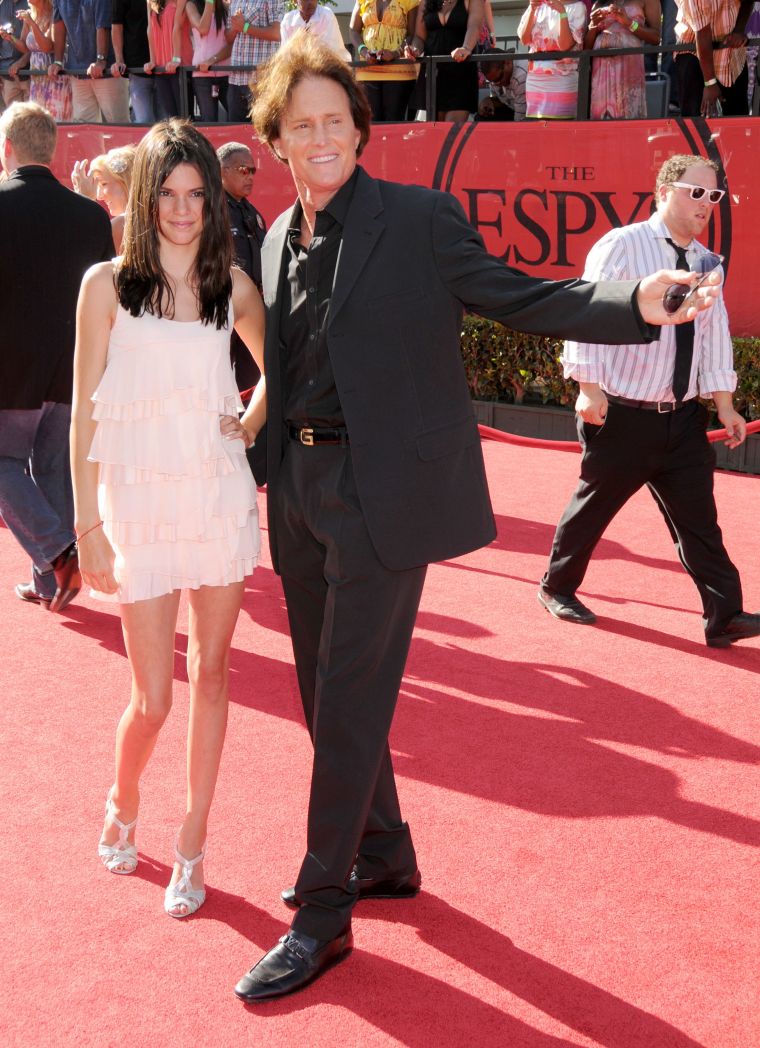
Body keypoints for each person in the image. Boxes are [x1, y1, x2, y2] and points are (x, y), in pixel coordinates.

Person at [231, 34, 718, 1002]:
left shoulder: (417, 220)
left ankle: (324, 912)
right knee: (324, 695)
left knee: (348, 703)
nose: (320, 137)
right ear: (276, 138)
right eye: (302, 125)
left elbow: (522, 296)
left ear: (358, 131)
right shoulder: (282, 235)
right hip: (300, 496)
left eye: (336, 121)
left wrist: (636, 303)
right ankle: (384, 852)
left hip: (381, 499)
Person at [71, 119, 265, 917]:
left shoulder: (234, 287)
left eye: (198, 196)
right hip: (138, 506)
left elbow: (284, 371)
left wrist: (247, 425)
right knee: (151, 698)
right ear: (146, 196)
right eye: (171, 195)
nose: (183, 211)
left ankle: (192, 840)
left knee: (213, 675)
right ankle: (122, 801)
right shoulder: (105, 285)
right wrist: (87, 527)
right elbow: (85, 413)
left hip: (215, 495)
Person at [539, 154, 760, 649]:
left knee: (700, 522)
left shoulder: (707, 262)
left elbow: (714, 336)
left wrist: (724, 403)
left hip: (683, 421)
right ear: (663, 191)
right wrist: (588, 388)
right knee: (592, 510)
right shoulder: (623, 246)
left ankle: (723, 616)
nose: (706, 203)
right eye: (695, 191)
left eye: (714, 196)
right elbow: (585, 311)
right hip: (623, 414)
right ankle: (557, 587)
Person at [0, 101, 113, 611]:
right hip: (71, 370)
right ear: (52, 149)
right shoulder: (91, 214)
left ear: (7, 149)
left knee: (3, 463)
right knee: (52, 470)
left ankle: (55, 552)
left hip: (10, 372)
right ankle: (49, 582)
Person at [218, 139, 265, 391]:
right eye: (243, 170)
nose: (250, 177)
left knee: (252, 376)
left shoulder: (252, 213)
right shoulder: (211, 210)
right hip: (220, 303)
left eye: (253, 170)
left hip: (250, 307)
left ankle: (250, 425)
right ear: (222, 171)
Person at [48, 0, 130, 123]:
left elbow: (103, 25)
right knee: (84, 128)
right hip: (78, 72)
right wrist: (58, 62)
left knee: (118, 124)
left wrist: (101, 60)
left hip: (108, 72)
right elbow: (59, 26)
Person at [674, 0, 754, 116]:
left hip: (732, 54)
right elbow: (702, 33)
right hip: (694, 53)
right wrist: (710, 83)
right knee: (696, 123)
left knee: (737, 121)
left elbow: (748, 2)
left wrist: (739, 29)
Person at [586, 0, 661, 119]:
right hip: (601, 71)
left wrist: (629, 23)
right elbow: (586, 49)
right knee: (601, 122)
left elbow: (656, 38)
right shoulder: (599, 4)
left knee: (629, 117)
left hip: (629, 70)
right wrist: (593, 26)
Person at [410, 0, 483, 121]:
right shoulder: (426, 2)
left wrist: (466, 47)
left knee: (452, 131)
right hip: (432, 75)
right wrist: (414, 49)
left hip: (459, 73)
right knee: (431, 133)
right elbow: (419, 37)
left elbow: (475, 25)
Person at [518, 0, 588, 119]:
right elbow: (524, 40)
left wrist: (562, 12)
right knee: (538, 128)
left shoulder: (578, 7)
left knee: (561, 129)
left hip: (562, 77)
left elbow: (565, 45)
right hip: (535, 78)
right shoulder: (537, 5)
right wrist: (532, 9)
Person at [350, 0, 418, 121]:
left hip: (398, 70)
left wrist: (395, 53)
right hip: (368, 69)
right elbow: (353, 30)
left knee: (394, 122)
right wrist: (364, 51)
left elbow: (413, 34)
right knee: (371, 123)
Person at [11, 1, 72, 121]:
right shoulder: (30, 15)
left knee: (56, 119)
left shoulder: (54, 13)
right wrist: (10, 38)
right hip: (37, 78)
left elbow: (47, 46)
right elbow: (25, 47)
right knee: (38, 120)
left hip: (54, 75)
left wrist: (32, 23)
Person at [225, 0, 284, 122]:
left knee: (263, 131)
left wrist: (245, 27)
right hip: (235, 79)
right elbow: (228, 38)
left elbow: (276, 33)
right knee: (236, 133)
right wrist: (236, 28)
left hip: (261, 81)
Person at [71, 144, 135, 252]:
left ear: (127, 181)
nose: (99, 196)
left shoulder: (122, 224)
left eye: (104, 184)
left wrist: (84, 203)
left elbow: (84, 254)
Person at [180, 0, 231, 122]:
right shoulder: (191, 5)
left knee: (236, 117)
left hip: (228, 73)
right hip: (202, 75)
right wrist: (209, 2)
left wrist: (212, 60)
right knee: (209, 121)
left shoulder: (226, 7)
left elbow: (232, 44)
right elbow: (203, 29)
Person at [144, 0, 191, 120]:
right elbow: (150, 30)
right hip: (161, 69)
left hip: (180, 67)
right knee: (171, 120)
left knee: (185, 119)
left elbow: (178, 26)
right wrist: (152, 60)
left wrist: (176, 58)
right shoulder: (151, 2)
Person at [111, 0, 156, 124]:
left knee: (168, 121)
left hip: (165, 66)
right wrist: (119, 60)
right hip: (137, 68)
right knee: (144, 122)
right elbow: (116, 25)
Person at [282, 0, 350, 60]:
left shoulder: (326, 15)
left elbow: (332, 51)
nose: (310, 2)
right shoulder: (288, 21)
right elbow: (286, 55)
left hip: (332, 68)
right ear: (295, 1)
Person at [477, 46, 527, 120]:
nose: (498, 84)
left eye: (499, 78)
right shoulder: (495, 77)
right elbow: (499, 99)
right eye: (493, 81)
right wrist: (490, 101)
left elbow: (520, 118)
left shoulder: (521, 75)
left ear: (508, 62)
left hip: (528, 114)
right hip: (513, 108)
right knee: (482, 117)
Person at [0, 1, 30, 111]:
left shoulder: (32, 3)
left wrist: (22, 61)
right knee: (13, 121)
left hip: (32, 73)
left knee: (33, 120)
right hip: (6, 75)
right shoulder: (2, 5)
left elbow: (38, 44)